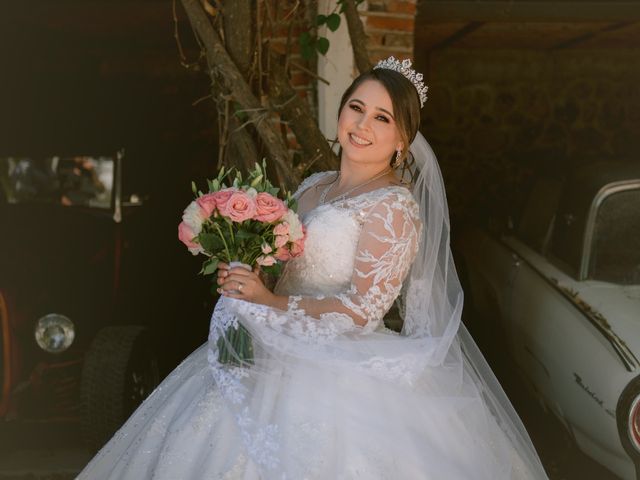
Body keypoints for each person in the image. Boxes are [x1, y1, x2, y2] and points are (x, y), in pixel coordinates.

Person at [78, 57, 548, 479]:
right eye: (356, 108)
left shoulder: (393, 208)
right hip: (268, 347)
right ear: (340, 112)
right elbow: (284, 271)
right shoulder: (314, 188)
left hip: (339, 369)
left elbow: (365, 311)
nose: (363, 125)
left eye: (382, 118)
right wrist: (247, 278)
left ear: (402, 140)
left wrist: (271, 301)